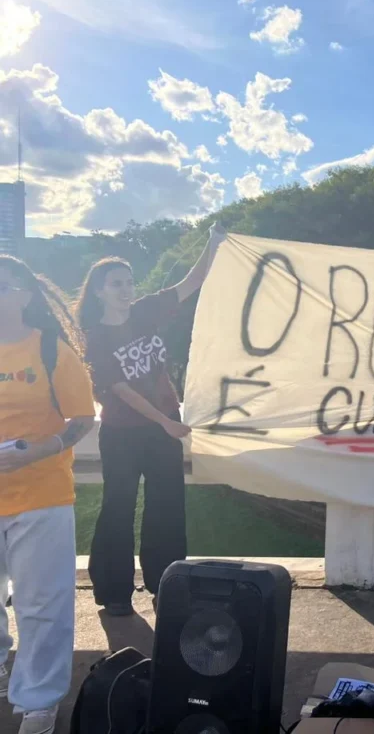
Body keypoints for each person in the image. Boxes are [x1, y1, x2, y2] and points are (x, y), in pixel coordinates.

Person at [78, 224, 225, 616]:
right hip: (123, 435)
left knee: (167, 505)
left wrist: (214, 242)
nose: (126, 289)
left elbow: (192, 281)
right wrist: (165, 421)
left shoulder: (145, 312)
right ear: (98, 291)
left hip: (163, 431)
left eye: (129, 281)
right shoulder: (93, 337)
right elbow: (120, 389)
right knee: (118, 507)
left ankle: (166, 585)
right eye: (115, 284)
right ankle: (115, 593)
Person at [0, 256, 96, 734]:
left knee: (42, 605)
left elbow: (82, 420)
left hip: (40, 495)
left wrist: (41, 449)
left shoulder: (52, 350)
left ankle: (38, 701)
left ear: (22, 295)